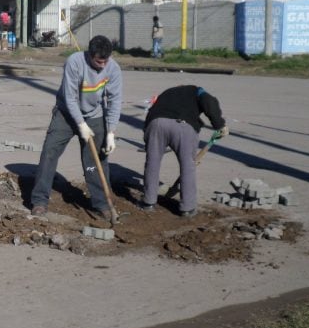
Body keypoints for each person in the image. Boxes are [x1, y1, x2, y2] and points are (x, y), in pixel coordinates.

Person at [30, 35, 122, 217]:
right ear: (90, 55)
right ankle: (39, 200)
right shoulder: (75, 62)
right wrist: (80, 124)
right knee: (49, 152)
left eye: (106, 61)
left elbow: (115, 100)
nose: (103, 65)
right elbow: (70, 98)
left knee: (96, 160)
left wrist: (111, 131)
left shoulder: (113, 68)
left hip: (95, 115)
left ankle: (103, 203)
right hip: (65, 114)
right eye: (98, 61)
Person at [140, 85, 229, 217]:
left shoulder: (166, 93)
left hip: (156, 124)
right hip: (183, 126)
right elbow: (209, 101)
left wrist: (148, 139)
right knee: (188, 166)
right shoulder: (197, 90)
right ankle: (187, 208)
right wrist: (220, 125)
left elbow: (151, 113)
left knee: (152, 162)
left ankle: (148, 202)